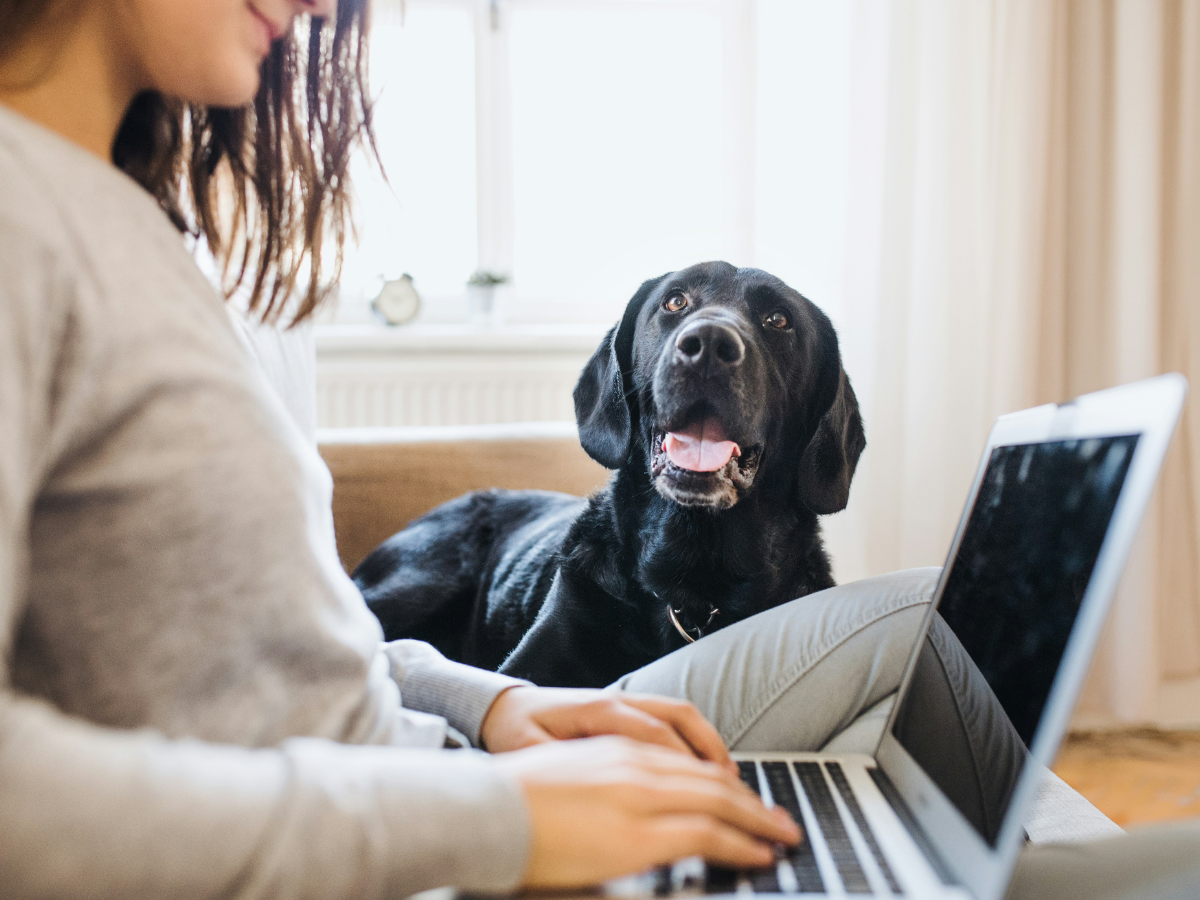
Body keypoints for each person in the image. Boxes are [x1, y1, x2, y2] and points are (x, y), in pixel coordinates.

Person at [1, 2, 1197, 899]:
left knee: (892, 750)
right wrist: (497, 819)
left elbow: (286, 655)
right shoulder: (22, 218)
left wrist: (500, 705)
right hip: (419, 835)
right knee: (932, 666)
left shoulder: (137, 231)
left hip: (439, 766)